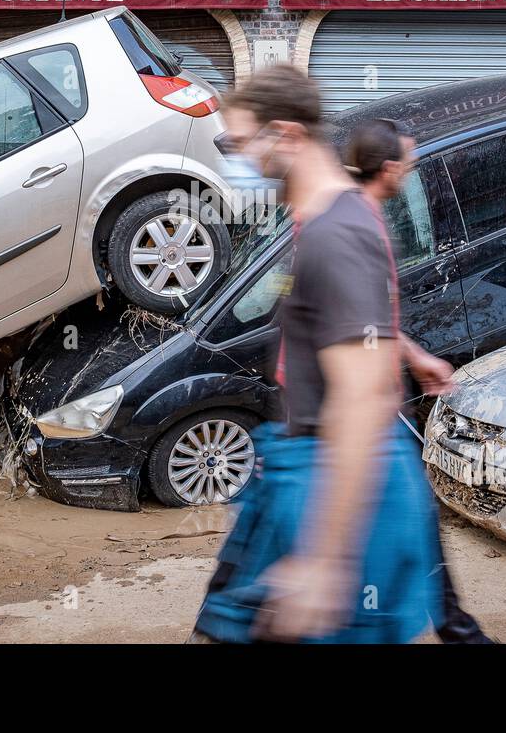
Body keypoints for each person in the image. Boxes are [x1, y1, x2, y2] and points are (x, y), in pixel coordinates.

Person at [192, 65, 449, 643]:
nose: (235, 158)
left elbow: (362, 397)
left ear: (284, 135)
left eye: (236, 143)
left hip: (338, 479)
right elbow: (358, 326)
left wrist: (324, 561)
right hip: (300, 464)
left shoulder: (335, 233)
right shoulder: (330, 217)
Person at [345, 117, 494, 645]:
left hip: (377, 414)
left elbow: (374, 321)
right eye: (406, 161)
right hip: (368, 420)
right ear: (387, 169)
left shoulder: (366, 218)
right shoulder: (357, 227)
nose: (411, 169)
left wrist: (415, 357)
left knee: (408, 527)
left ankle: (456, 630)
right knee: (403, 529)